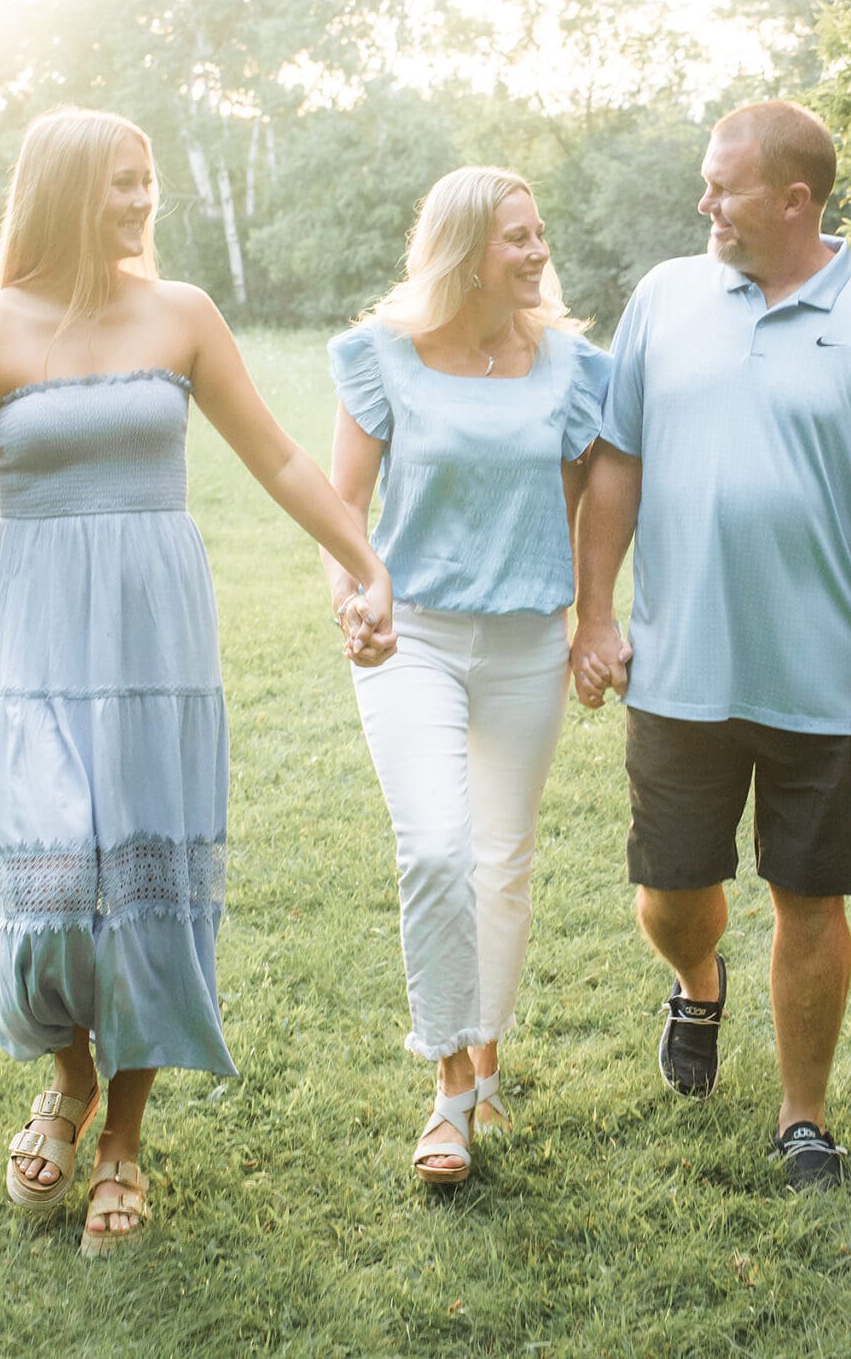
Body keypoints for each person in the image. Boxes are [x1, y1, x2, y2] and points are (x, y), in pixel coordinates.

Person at [0, 106, 395, 1256]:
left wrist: (364, 561)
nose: (141, 200)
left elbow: (275, 453)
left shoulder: (183, 316)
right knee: (53, 891)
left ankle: (122, 1136)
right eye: (121, 181)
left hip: (155, 632)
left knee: (150, 884)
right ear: (64, 189)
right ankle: (65, 1080)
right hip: (34, 636)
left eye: (148, 180)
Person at [570, 100, 851, 1192]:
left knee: (806, 899)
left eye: (721, 187)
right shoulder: (663, 297)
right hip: (679, 664)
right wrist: (596, 614)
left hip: (825, 679)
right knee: (670, 892)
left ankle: (801, 1119)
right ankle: (696, 981)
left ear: (792, 200)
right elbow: (615, 461)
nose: (703, 204)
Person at [323, 166, 613, 1186]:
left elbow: (584, 508)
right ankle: (448, 1092)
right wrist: (355, 594)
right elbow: (340, 507)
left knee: (503, 861)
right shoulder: (385, 360)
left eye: (539, 234)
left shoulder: (573, 367)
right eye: (514, 240)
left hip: (528, 637)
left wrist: (595, 621)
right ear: (460, 253)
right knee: (437, 848)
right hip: (417, 639)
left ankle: (484, 1063)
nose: (536, 253)